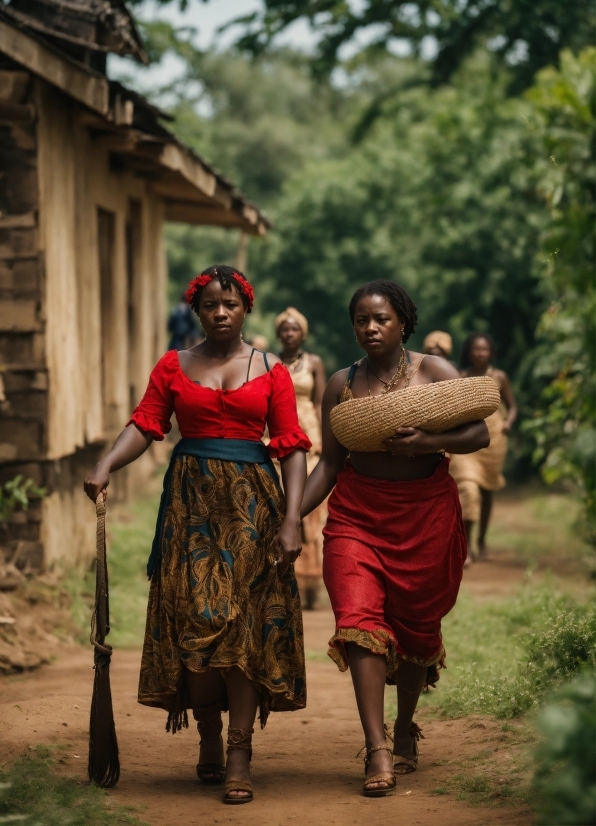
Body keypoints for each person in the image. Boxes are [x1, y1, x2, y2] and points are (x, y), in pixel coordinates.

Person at [83, 265, 310, 805]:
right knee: (198, 622)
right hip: (191, 508)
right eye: (210, 304)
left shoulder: (271, 368)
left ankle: (237, 751)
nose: (221, 312)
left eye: (230, 304)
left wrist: (293, 517)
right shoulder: (173, 365)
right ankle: (208, 730)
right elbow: (145, 424)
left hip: (254, 507)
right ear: (197, 311)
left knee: (244, 626)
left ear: (246, 308)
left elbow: (292, 445)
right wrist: (104, 464)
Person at [300, 280, 489, 797]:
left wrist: (429, 441)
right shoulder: (340, 384)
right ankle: (377, 745)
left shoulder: (434, 372)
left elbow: (479, 433)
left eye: (381, 319)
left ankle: (405, 725)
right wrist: (288, 517)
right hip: (357, 518)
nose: (370, 328)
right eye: (361, 320)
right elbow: (330, 465)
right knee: (358, 621)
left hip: (425, 518)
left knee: (415, 629)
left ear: (403, 321)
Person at [275, 307, 327, 610]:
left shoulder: (314, 363)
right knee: (281, 503)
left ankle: (311, 581)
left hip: (309, 433)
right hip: (277, 433)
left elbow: (320, 402)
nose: (289, 334)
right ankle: (284, 575)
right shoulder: (269, 361)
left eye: (294, 329)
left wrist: (323, 439)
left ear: (302, 333)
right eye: (285, 329)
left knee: (309, 510)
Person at [449, 333, 517, 559]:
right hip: (467, 438)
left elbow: (513, 406)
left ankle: (482, 541)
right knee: (468, 488)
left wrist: (507, 423)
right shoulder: (461, 376)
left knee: (487, 492)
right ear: (469, 352)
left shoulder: (500, 377)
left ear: (491, 352)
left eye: (484, 349)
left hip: (494, 440)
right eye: (476, 349)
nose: (480, 353)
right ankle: (466, 547)